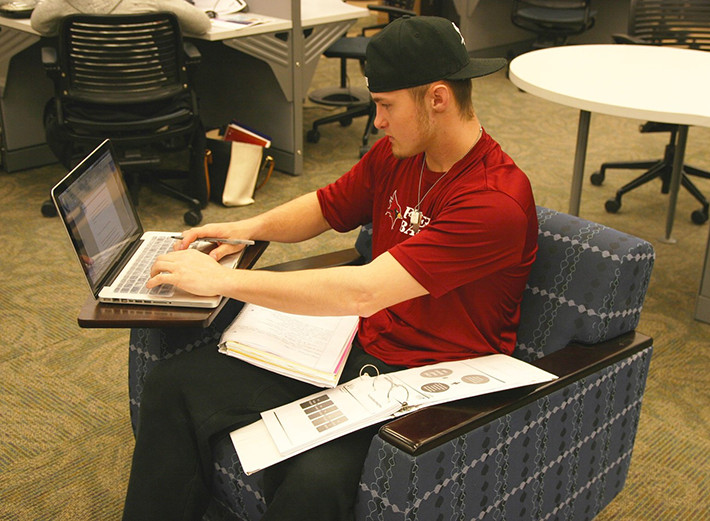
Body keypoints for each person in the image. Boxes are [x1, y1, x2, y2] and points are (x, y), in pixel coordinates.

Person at [123, 16, 538, 521]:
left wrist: (223, 280)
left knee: (312, 483)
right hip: (358, 347)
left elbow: (364, 291)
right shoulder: (400, 154)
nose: (378, 121)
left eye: (386, 106)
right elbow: (325, 207)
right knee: (175, 384)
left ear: (437, 98)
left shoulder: (494, 202)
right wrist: (247, 229)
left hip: (430, 383)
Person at [30, 0, 211, 36]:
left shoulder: (61, 3)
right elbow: (202, 24)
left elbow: (39, 25)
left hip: (84, 102)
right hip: (151, 98)